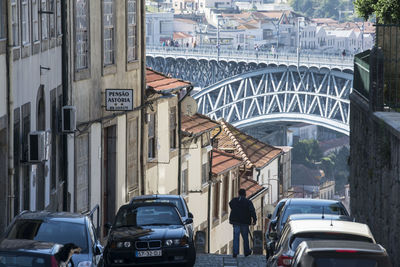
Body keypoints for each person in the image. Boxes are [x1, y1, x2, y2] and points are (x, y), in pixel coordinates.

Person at [229, 188, 257, 258]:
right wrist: (254, 219)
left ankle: (235, 252)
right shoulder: (248, 202)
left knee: (236, 237)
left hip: (235, 221)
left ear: (238, 193)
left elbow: (230, 204)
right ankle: (246, 251)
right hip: (244, 222)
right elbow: (252, 211)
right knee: (245, 237)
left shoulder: (234, 200)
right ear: (245, 194)